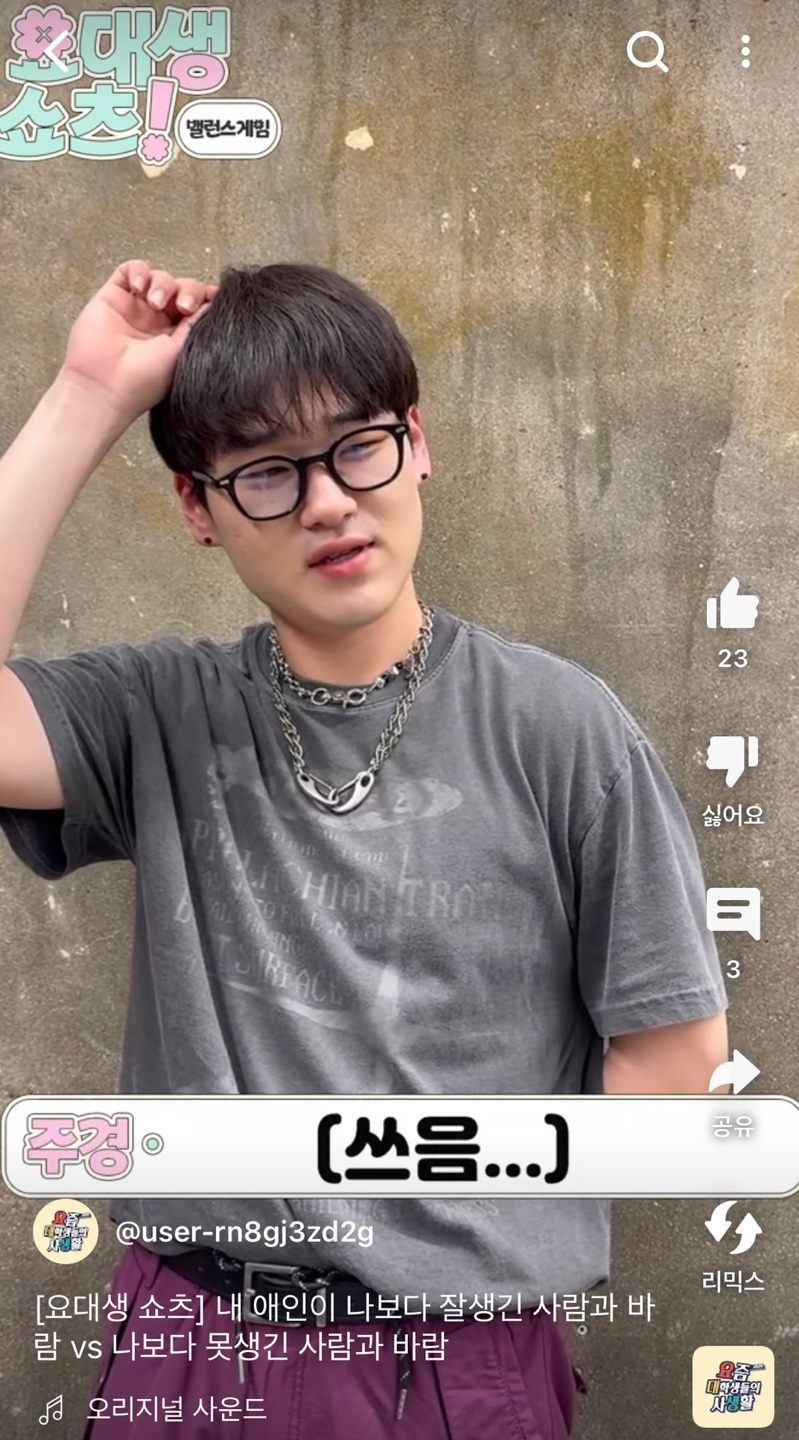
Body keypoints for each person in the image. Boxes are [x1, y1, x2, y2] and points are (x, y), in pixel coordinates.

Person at [0, 260, 728, 1439]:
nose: (329, 502)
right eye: (266, 472)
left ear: (416, 443)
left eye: (358, 447)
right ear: (198, 507)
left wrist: (447, 1234)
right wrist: (90, 392)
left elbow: (674, 1062)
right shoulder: (157, 714)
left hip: (455, 1359)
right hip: (197, 1344)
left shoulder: (560, 727)